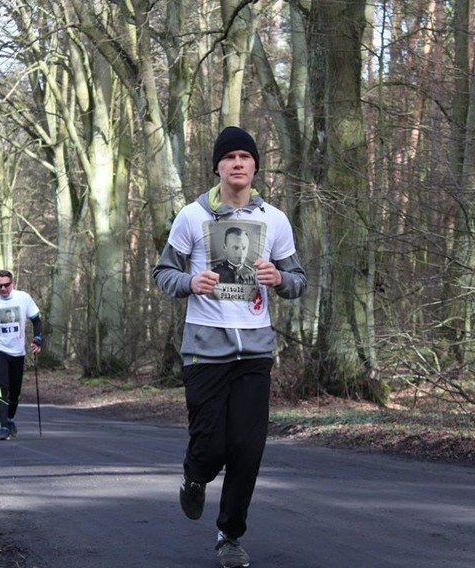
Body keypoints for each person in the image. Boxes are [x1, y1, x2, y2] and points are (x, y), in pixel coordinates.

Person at [152, 126, 307, 568]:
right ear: (218, 166)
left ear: (255, 166)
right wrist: (188, 282)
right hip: (205, 348)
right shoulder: (191, 217)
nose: (238, 163)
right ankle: (195, 475)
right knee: (211, 445)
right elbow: (163, 272)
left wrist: (281, 280)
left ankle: (229, 535)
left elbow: (298, 280)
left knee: (248, 448)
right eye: (230, 157)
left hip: (256, 350)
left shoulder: (274, 220)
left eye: (246, 156)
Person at [0, 269, 43, 441]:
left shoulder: (23, 298)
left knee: (15, 390)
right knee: (2, 385)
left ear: (12, 283)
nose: (3, 289)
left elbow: (36, 320)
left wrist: (37, 339)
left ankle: (10, 418)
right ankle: (3, 426)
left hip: (17, 351)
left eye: (6, 285)